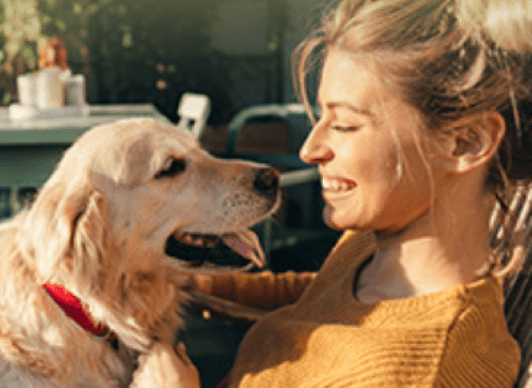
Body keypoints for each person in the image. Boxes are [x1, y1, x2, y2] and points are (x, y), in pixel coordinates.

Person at [176, 0, 532, 386]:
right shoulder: (371, 246)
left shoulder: (420, 368)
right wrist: (196, 284)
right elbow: (319, 297)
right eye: (320, 116)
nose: (309, 149)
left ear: (466, 143)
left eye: (344, 124)